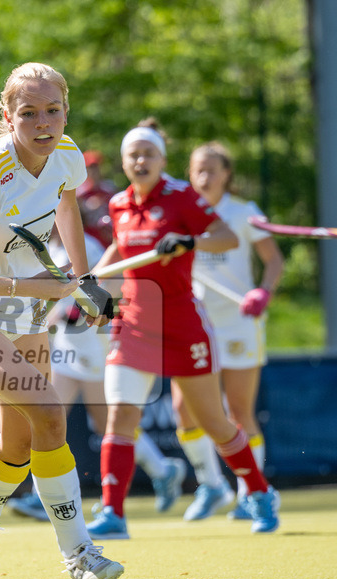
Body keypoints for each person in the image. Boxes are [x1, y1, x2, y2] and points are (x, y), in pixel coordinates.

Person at [0, 62, 124, 579]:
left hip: (23, 303)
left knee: (20, 442)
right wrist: (25, 286)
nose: (43, 123)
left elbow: (66, 203)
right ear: (7, 115)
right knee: (50, 412)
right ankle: (79, 554)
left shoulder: (65, 154)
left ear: (66, 111)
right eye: (29, 112)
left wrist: (83, 278)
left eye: (52, 110)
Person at [88, 119, 280, 539]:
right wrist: (94, 280)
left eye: (148, 154)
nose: (140, 161)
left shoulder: (181, 197)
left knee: (215, 422)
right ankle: (113, 513)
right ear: (124, 162)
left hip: (182, 325)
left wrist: (190, 241)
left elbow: (227, 237)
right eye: (133, 155)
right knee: (120, 414)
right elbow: (120, 246)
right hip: (133, 323)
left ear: (162, 160)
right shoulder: (119, 204)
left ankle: (259, 493)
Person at [7, 226, 186, 522]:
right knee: (44, 414)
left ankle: (162, 470)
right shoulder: (51, 248)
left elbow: (109, 284)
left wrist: (76, 312)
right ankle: (44, 498)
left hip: (94, 344)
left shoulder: (84, 245)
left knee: (108, 424)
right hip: (68, 346)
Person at [175, 141, 285, 522]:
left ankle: (249, 493)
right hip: (193, 323)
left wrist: (263, 292)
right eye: (198, 169)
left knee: (239, 410)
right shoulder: (181, 210)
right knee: (183, 408)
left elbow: (274, 261)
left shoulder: (243, 212)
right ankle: (211, 485)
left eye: (212, 169)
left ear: (226, 174)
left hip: (238, 321)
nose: (204, 176)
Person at [76, 150, 117, 248]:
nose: (94, 171)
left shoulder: (108, 188)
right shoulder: (80, 192)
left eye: (95, 167)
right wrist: (86, 206)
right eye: (90, 168)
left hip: (108, 237)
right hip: (89, 239)